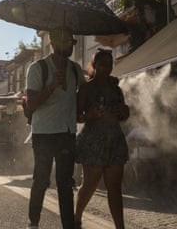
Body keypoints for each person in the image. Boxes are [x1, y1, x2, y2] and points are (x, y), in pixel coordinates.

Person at [25, 29, 85, 229]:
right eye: (67, 40)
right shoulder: (38, 68)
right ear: (53, 41)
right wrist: (51, 86)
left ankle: (68, 225)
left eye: (72, 41)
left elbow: (82, 99)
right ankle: (33, 222)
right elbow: (31, 104)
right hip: (43, 134)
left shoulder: (76, 70)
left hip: (67, 133)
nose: (71, 44)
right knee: (41, 180)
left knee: (65, 184)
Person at [75, 49, 129, 229]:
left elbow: (123, 113)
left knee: (114, 187)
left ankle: (120, 227)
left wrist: (125, 112)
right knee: (90, 184)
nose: (107, 68)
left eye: (110, 64)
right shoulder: (85, 89)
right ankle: (77, 217)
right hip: (93, 141)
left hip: (115, 139)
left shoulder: (117, 89)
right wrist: (88, 115)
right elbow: (76, 116)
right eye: (103, 64)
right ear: (95, 65)